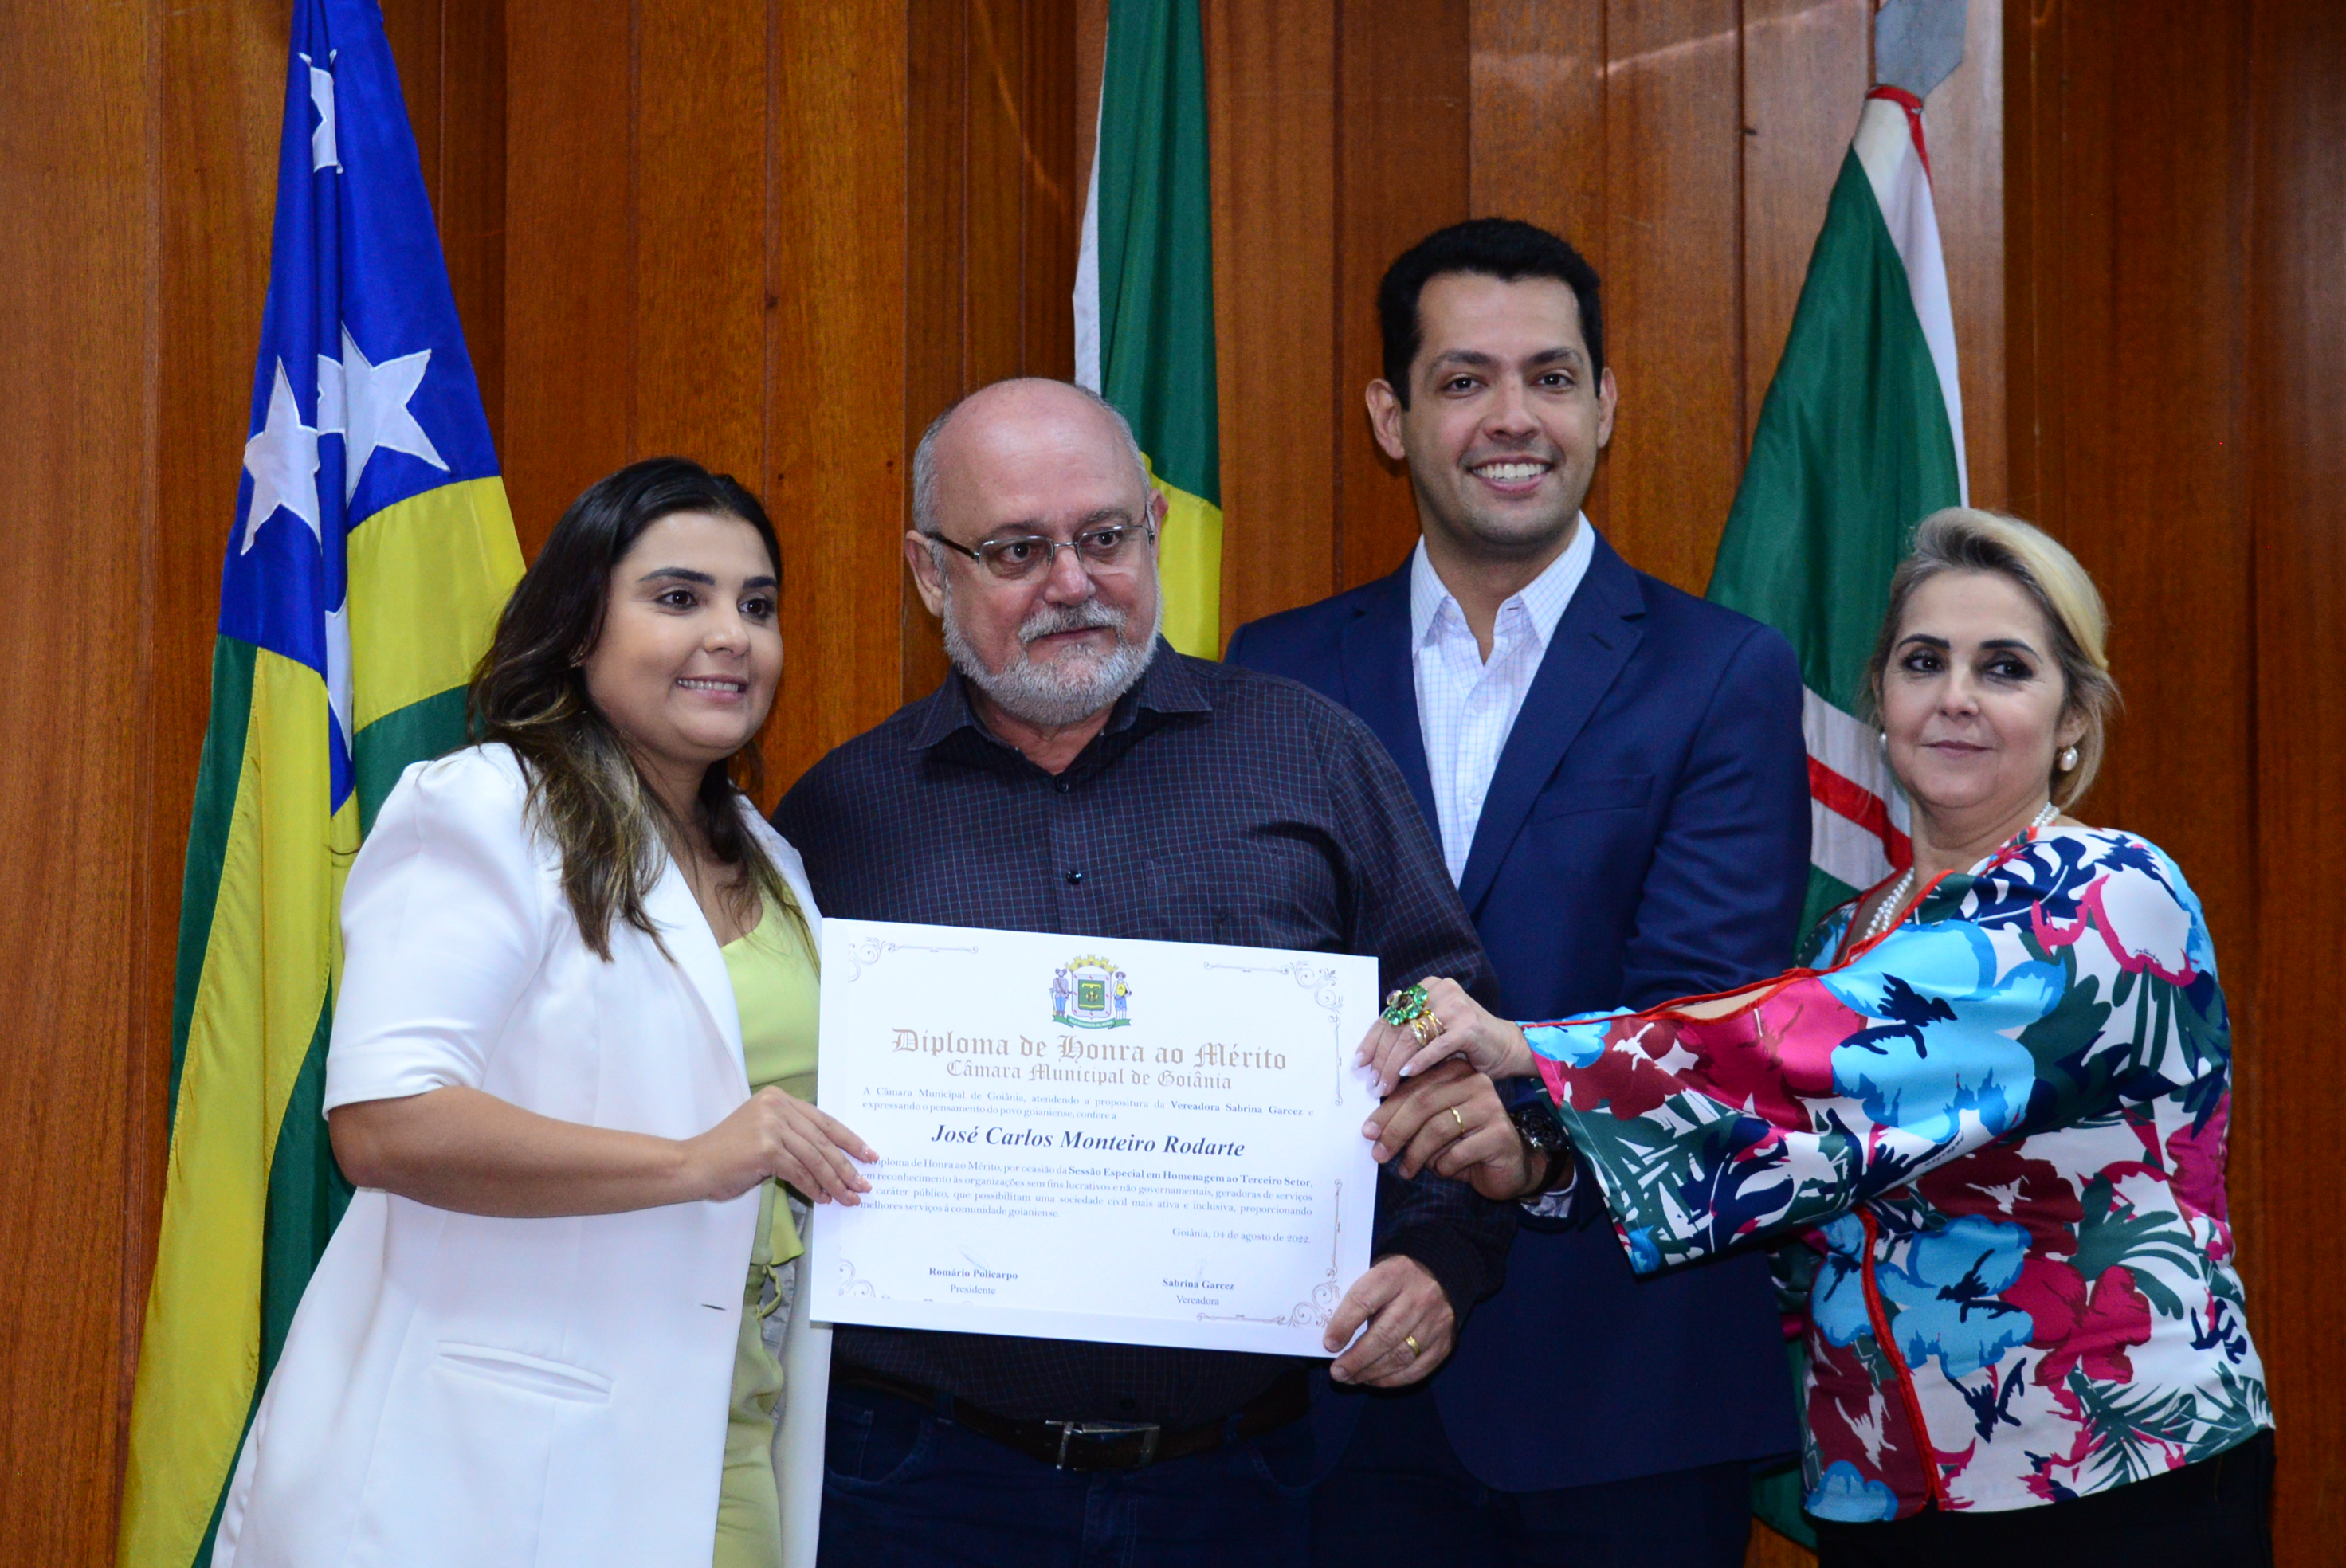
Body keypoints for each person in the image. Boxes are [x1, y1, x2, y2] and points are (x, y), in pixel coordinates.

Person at [1365, 508, 2274, 1565]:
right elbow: (1766, 1154)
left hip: (2115, 1475)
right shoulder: (1847, 934)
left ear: (2073, 715)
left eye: (2006, 668)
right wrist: (1535, 1163)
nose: (1956, 698)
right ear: (1879, 701)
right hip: (1880, 1484)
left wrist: (1523, 1048)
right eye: (1923, 662)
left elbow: (1832, 1051)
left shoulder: (2110, 893)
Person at [772, 377, 1510, 1567]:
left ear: (1157, 528)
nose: (1072, 582)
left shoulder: (1310, 757)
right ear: (929, 572)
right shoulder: (841, 816)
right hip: (918, 1481)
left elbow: (1442, 1017)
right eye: (1017, 550)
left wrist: (1440, 1262)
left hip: (1240, 1484)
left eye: (1105, 536)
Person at [1224, 217, 1809, 1565]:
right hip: (1341, 1373)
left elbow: (1703, 1004)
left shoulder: (1721, 673)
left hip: (1624, 1391)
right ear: (1391, 417)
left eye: (1550, 377)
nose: (1512, 418)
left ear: (1605, 406)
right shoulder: (1276, 672)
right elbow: (1272, 985)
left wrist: (1533, 1133)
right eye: (1463, 379)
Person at [213, 458, 872, 1568]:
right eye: (679, 598)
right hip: (499, 1468)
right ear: (578, 630)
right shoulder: (484, 808)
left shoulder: (773, 857)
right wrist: (690, 1163)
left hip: (733, 1444)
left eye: (757, 606)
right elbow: (383, 1125)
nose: (731, 636)